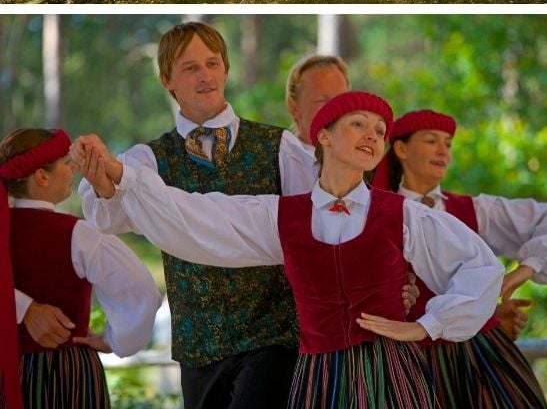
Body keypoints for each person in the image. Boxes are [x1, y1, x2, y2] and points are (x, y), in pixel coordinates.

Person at [74, 91, 503, 409]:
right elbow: (194, 218)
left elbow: (480, 267)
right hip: (317, 377)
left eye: (379, 131)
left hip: (388, 374)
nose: (372, 135)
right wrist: (123, 175)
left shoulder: (403, 214)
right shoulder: (281, 216)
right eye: (358, 124)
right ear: (325, 137)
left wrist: (428, 324)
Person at [77, 21, 300, 409]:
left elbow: (313, 227)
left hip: (274, 337)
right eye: (191, 68)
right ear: (167, 79)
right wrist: (103, 183)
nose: (206, 76)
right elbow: (108, 218)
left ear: (226, 70)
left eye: (213, 64)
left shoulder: (280, 146)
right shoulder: (147, 160)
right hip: (199, 344)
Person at [372, 109, 547, 409]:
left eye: (448, 143)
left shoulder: (473, 209)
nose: (443, 150)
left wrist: (522, 272)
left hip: (479, 356)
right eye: (430, 141)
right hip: (408, 359)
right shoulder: (376, 211)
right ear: (401, 149)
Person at [1, 127, 160, 409]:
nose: (73, 168)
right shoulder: (77, 234)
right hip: (65, 373)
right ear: (41, 176)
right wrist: (115, 339)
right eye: (65, 162)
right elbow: (141, 291)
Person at [281, 54, 352, 196]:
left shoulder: (363, 161)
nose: (336, 109)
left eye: (342, 99)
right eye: (322, 101)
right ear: (294, 107)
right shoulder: (280, 163)